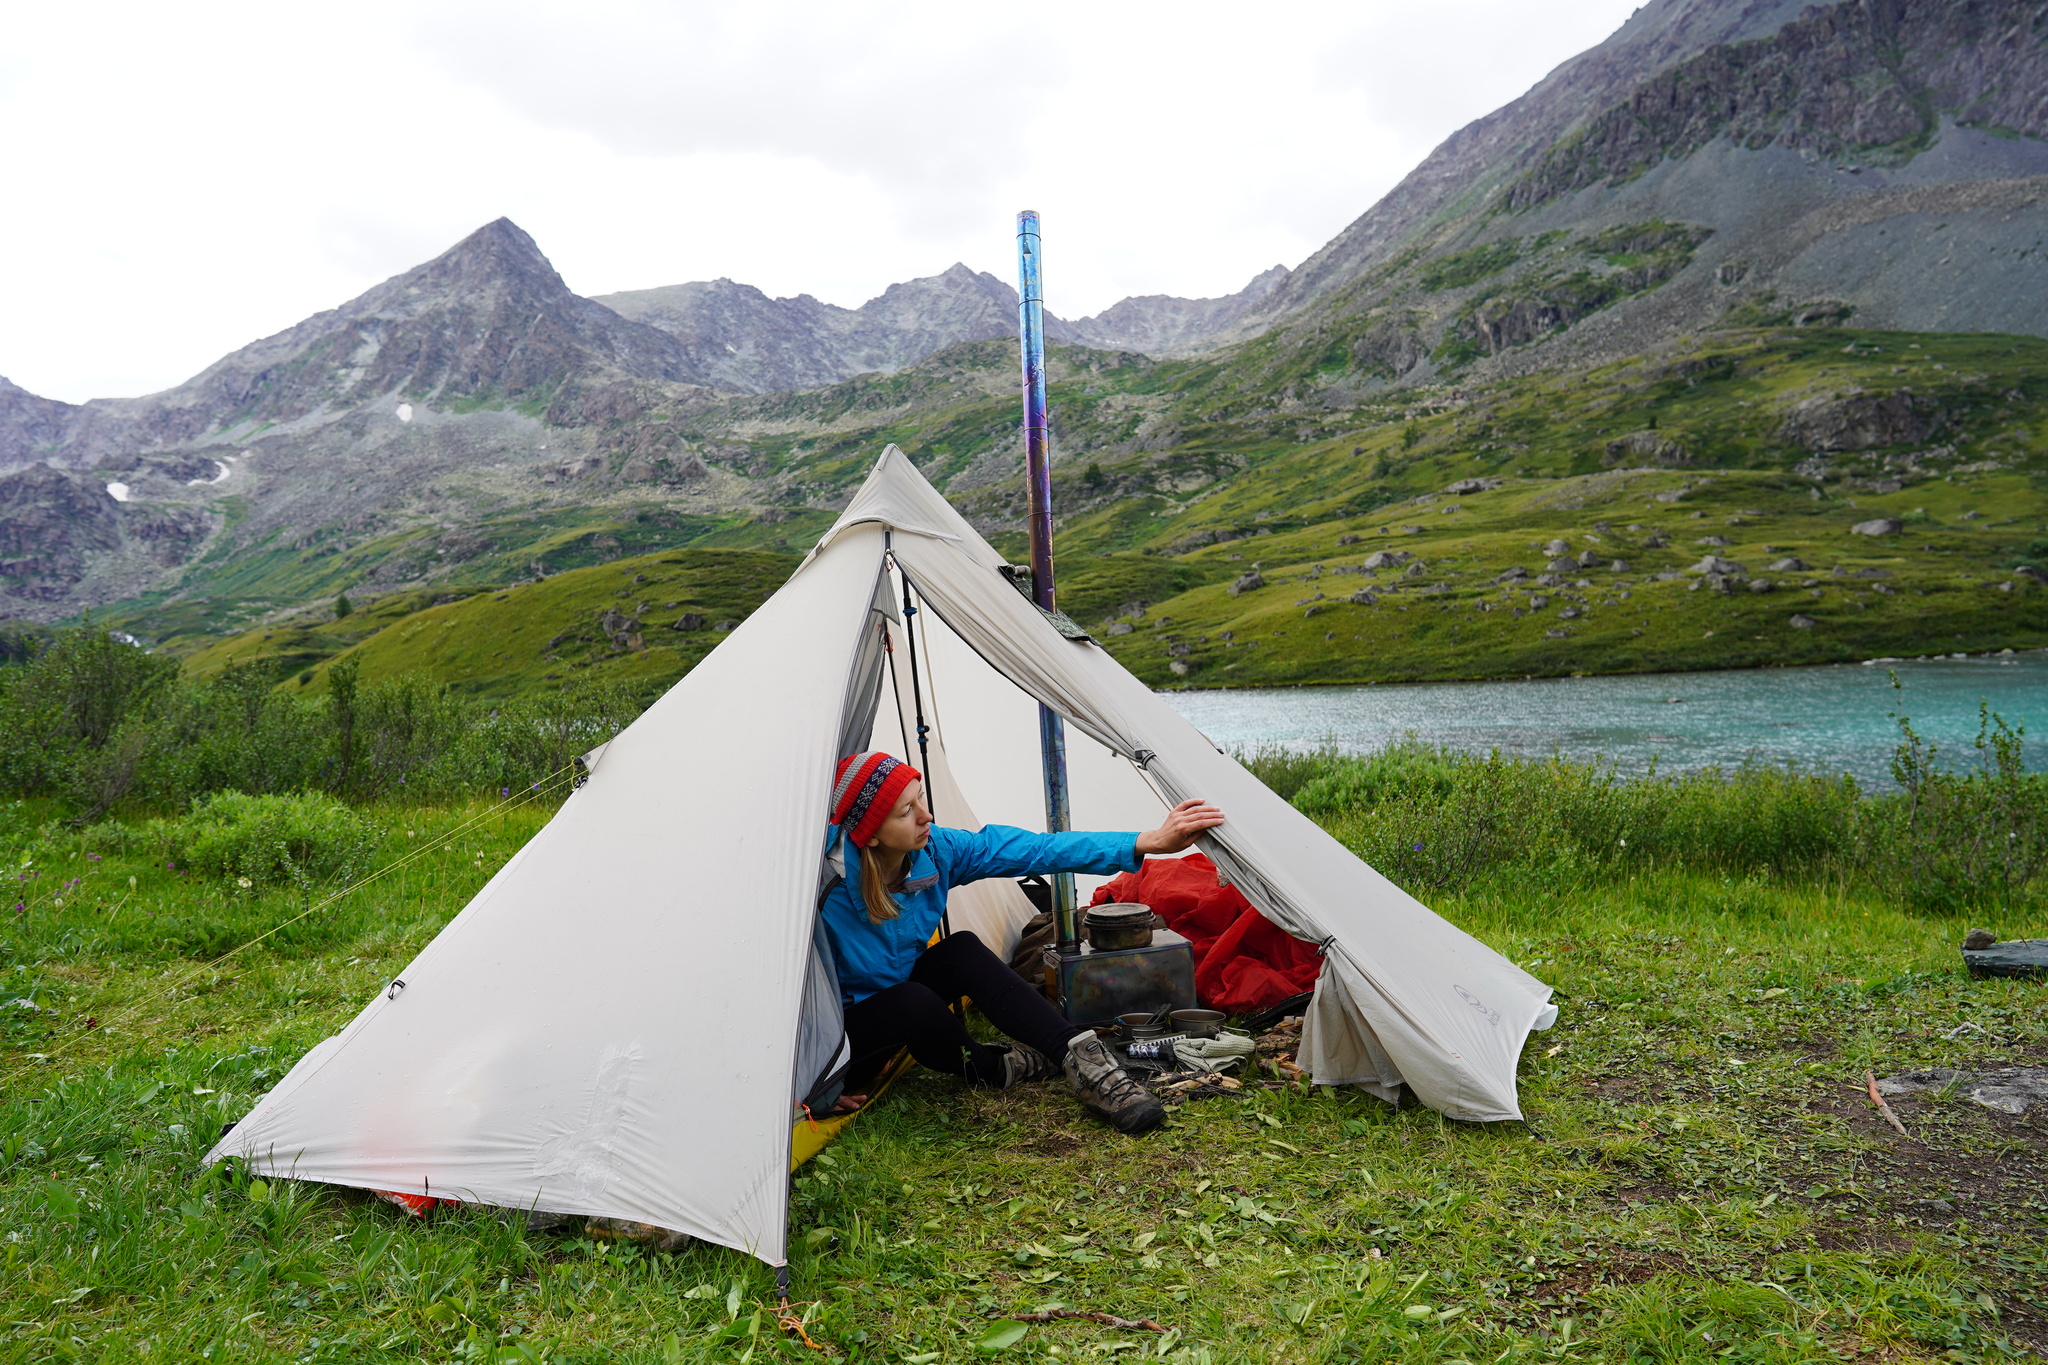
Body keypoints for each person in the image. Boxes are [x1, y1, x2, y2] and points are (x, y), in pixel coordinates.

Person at [819, 751, 1226, 1135]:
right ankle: (994, 1070)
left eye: (920, 798)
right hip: (840, 1046)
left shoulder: (936, 850)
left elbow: (1036, 849)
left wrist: (1147, 841)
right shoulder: (819, 888)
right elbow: (781, 997)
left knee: (960, 951)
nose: (926, 815)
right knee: (913, 1001)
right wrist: (812, 1087)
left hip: (895, 1000)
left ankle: (1087, 1066)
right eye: (907, 811)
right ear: (870, 835)